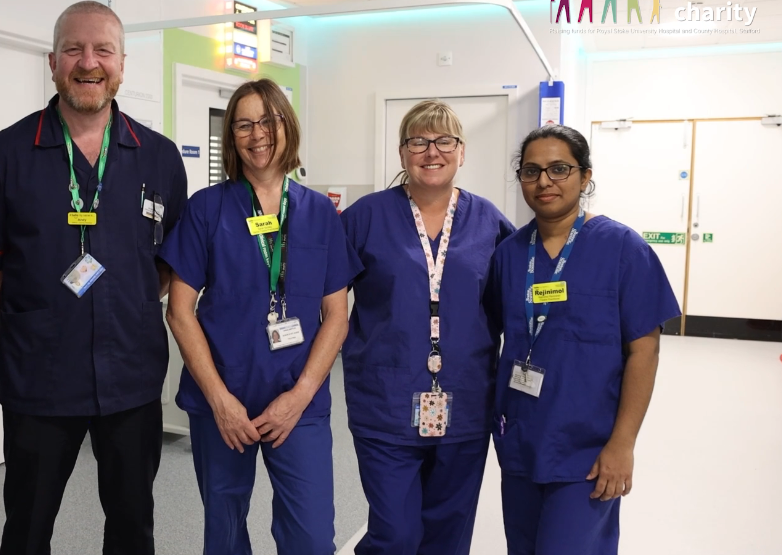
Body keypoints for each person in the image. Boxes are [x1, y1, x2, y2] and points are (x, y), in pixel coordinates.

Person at [0, 1, 188, 555]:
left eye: (103, 50)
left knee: (133, 527)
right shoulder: (6, 153)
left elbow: (170, 263)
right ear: (52, 62)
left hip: (131, 380)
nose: (89, 62)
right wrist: (42, 315)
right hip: (39, 380)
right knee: (29, 527)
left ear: (122, 63)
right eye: (74, 49)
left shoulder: (157, 157)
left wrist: (122, 305)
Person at [161, 77, 362, 555]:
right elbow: (180, 310)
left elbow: (336, 315)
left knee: (312, 537)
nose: (257, 135)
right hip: (222, 401)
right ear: (231, 137)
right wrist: (220, 401)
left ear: (286, 126)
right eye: (243, 125)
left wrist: (300, 396)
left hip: (300, 401)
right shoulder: (207, 209)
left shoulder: (319, 213)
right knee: (225, 531)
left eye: (267, 121)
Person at [486, 125, 680, 555]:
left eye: (559, 169)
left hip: (588, 450)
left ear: (585, 176)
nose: (544, 182)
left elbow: (644, 350)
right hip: (521, 440)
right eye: (531, 171)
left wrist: (622, 444)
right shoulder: (511, 254)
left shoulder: (622, 248)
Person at [340, 100, 514, 555]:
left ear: (462, 151)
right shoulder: (365, 217)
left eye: (444, 141)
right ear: (401, 153)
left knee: (448, 532)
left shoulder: (489, 221)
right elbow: (326, 299)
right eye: (418, 141)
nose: (431, 151)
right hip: (385, 401)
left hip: (466, 401)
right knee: (394, 534)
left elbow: (522, 289)